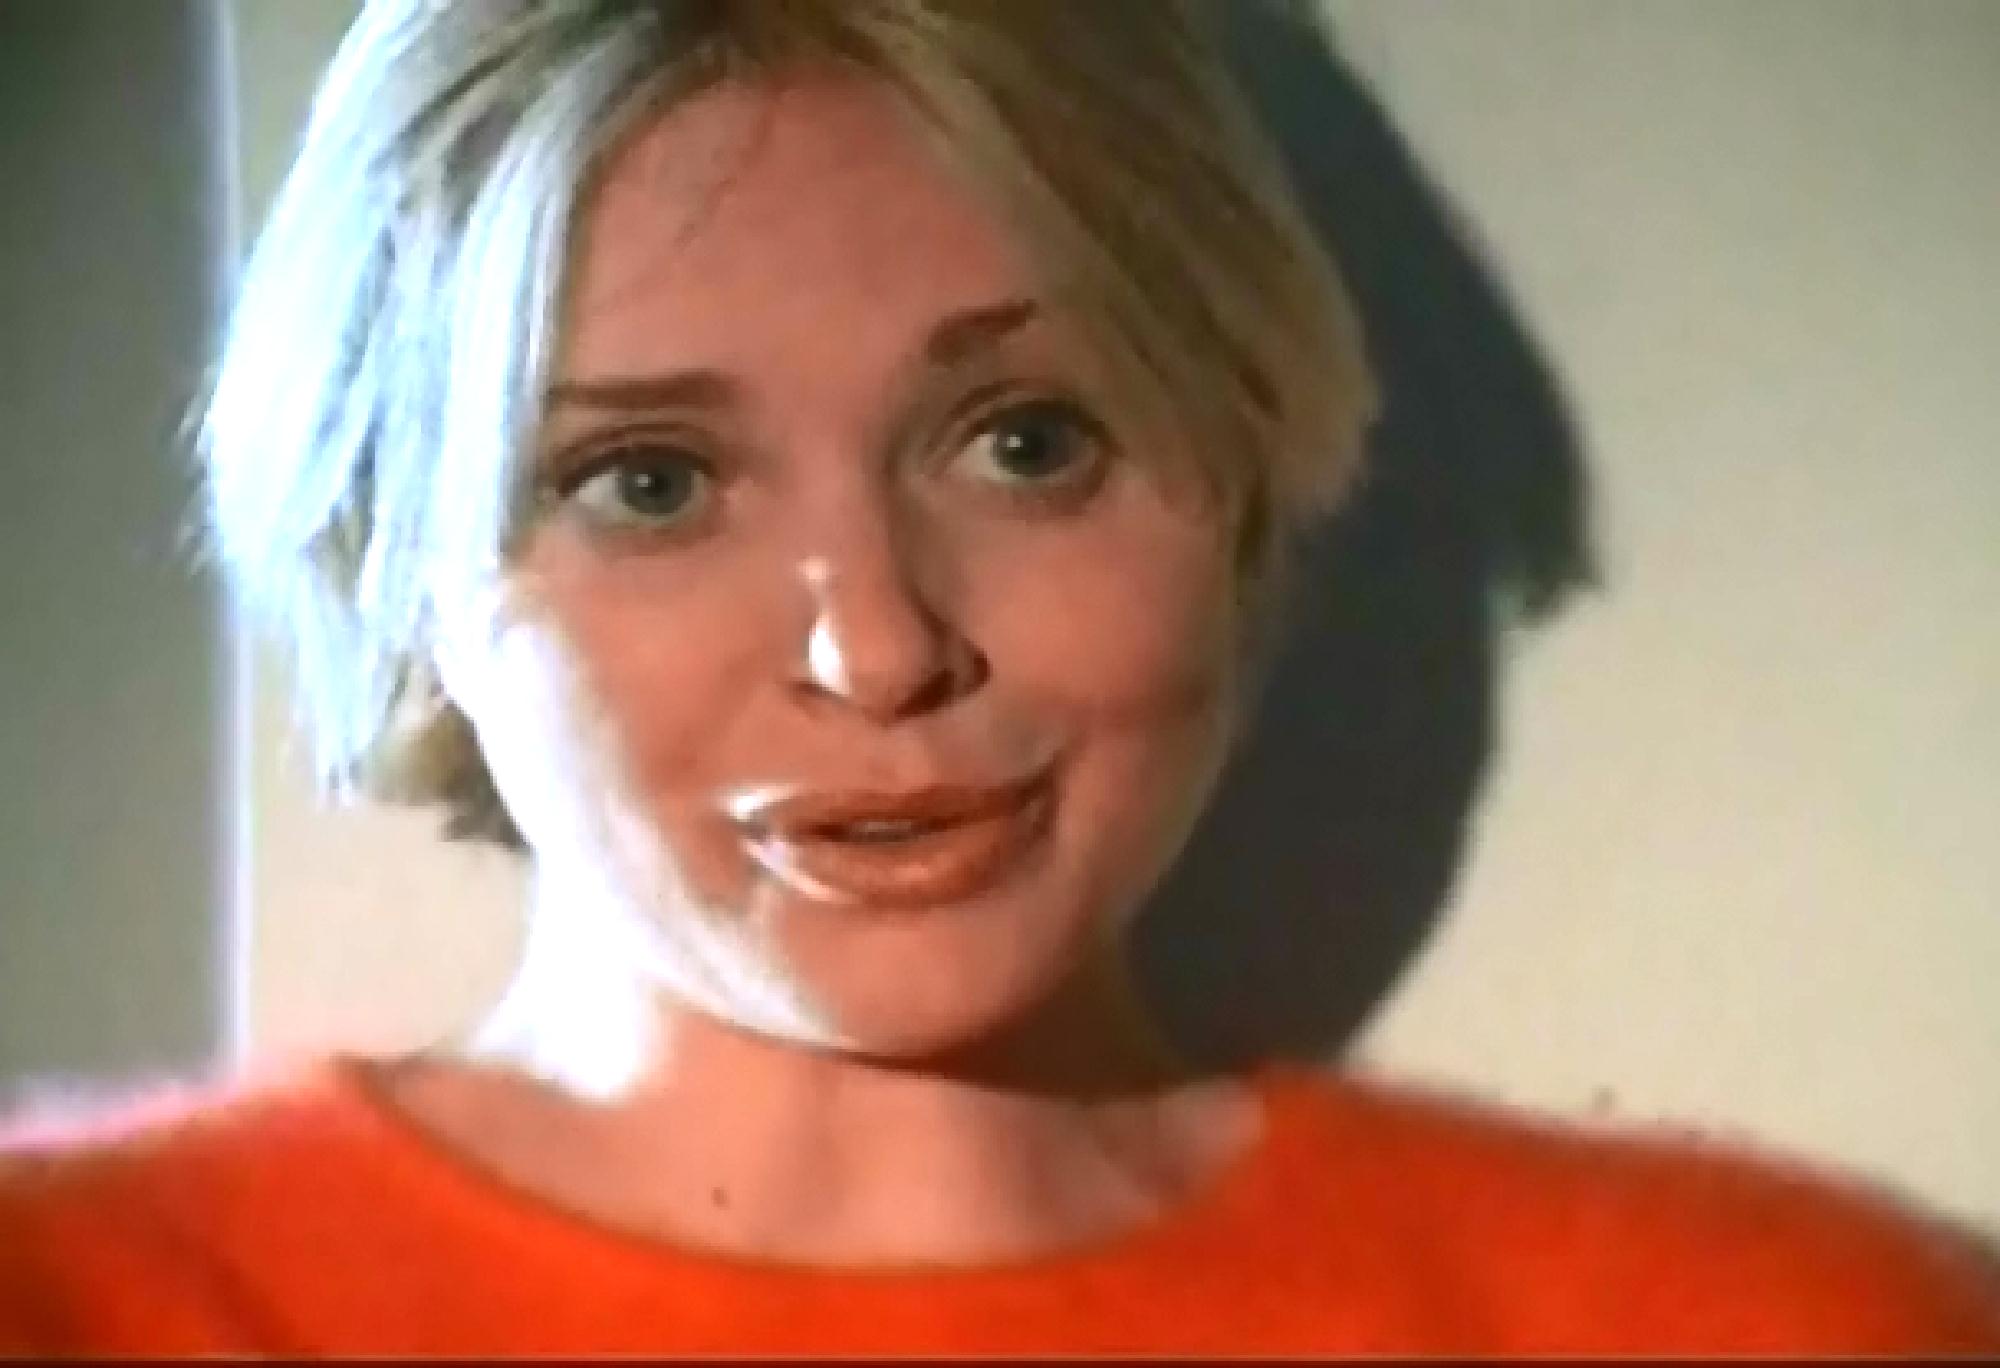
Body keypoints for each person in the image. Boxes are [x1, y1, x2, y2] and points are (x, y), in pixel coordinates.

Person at [2, 0, 1996, 1354]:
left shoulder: (1752, 1327)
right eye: (648, 481)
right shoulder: (81, 1303)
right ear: (397, 556)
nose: (877, 647)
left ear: (1243, 477)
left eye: (1027, 443)